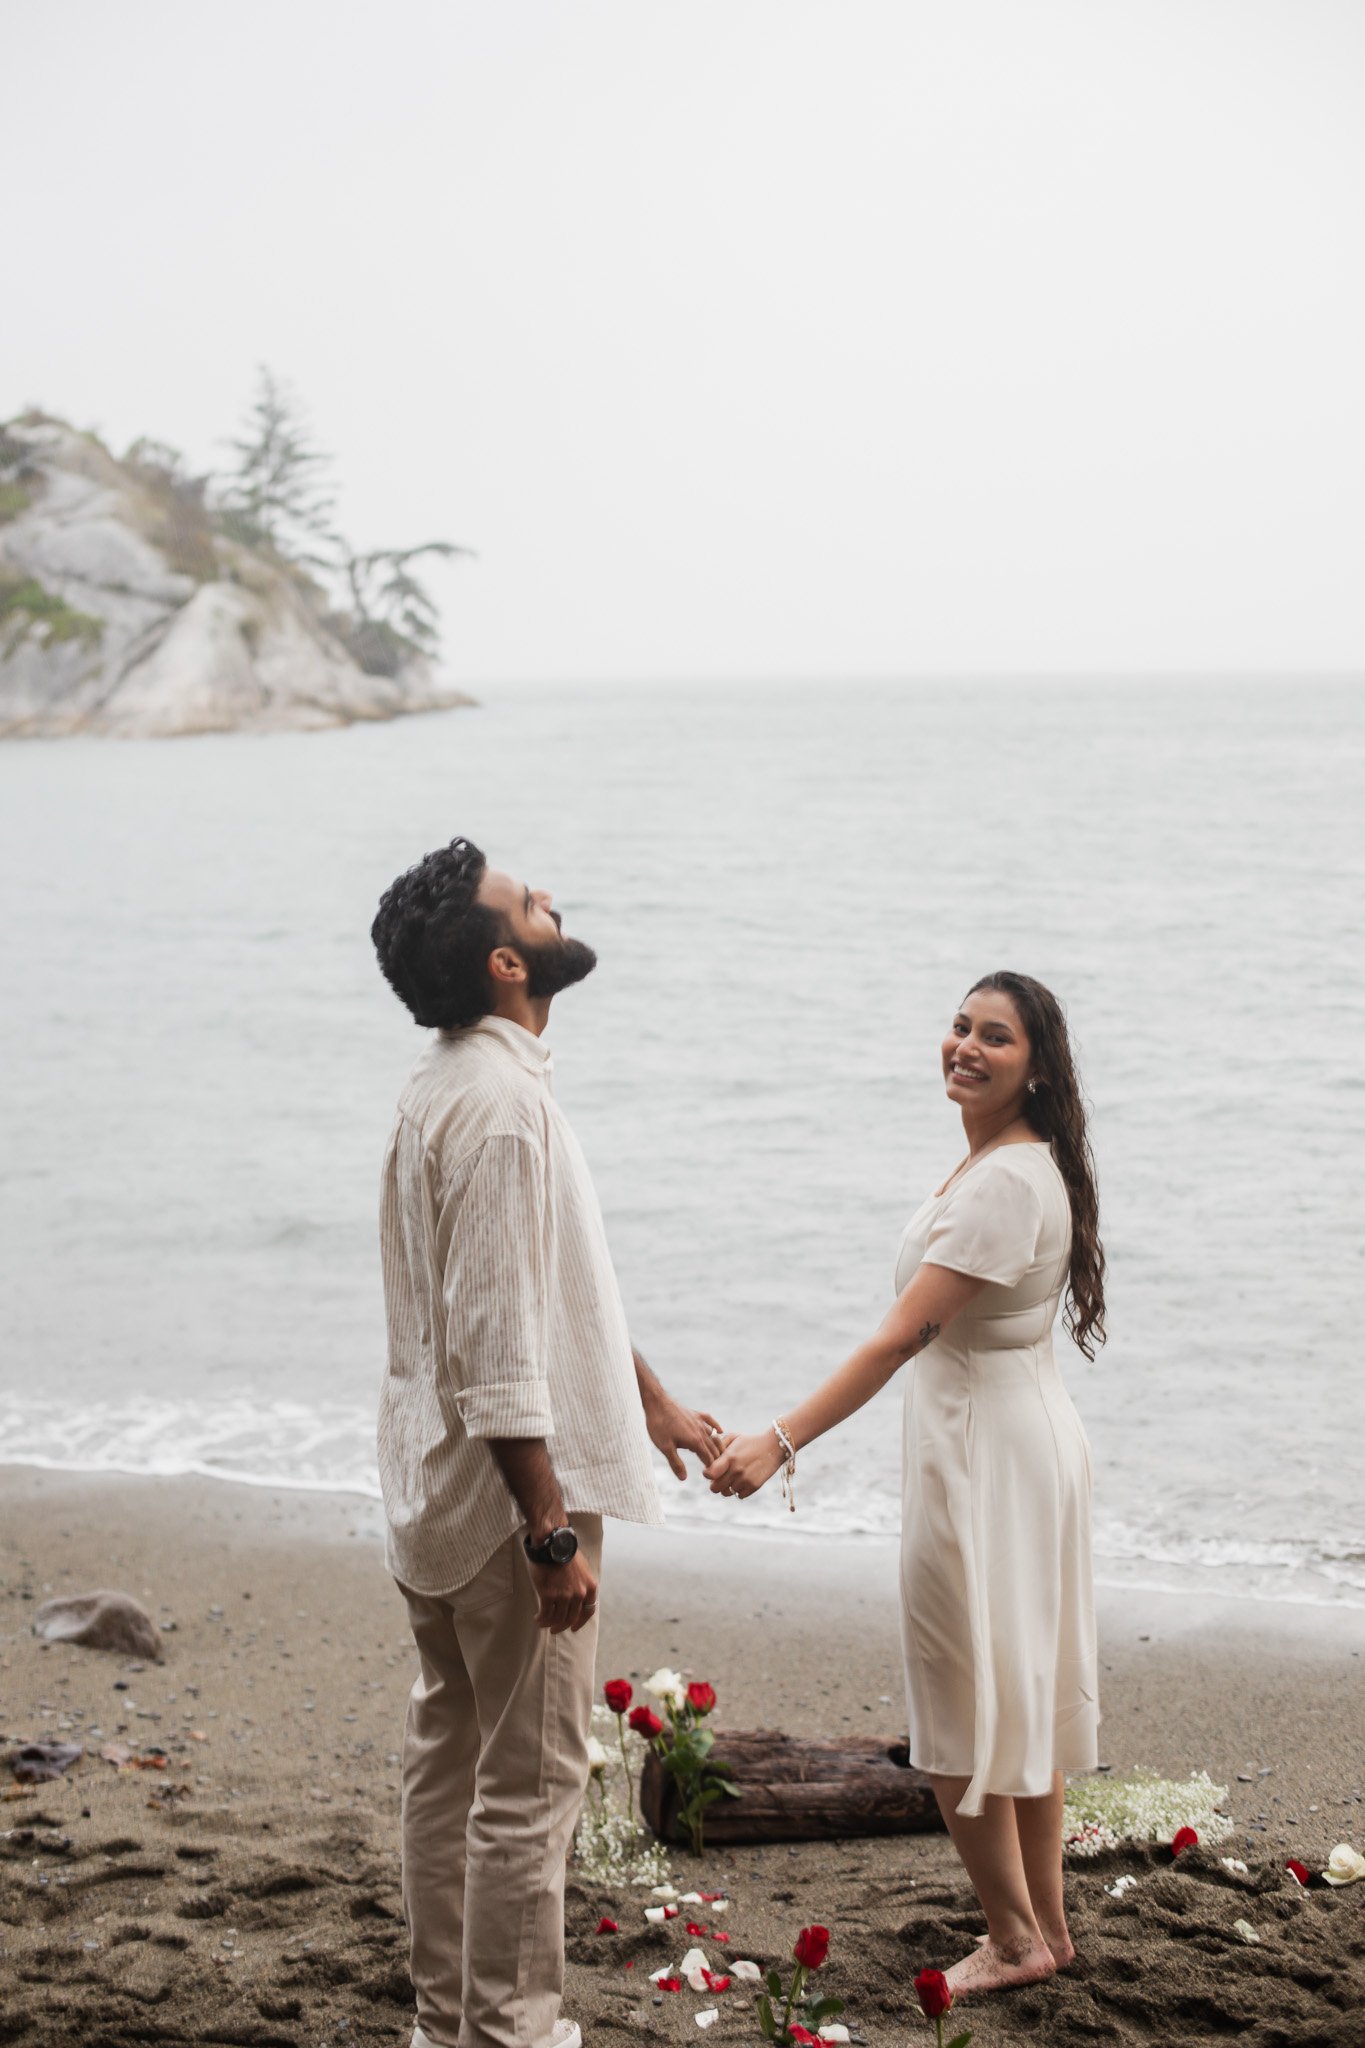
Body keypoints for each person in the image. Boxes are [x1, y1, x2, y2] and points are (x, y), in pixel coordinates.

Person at [371, 837, 722, 2048]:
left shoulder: (445, 1082)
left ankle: (445, 2023)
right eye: (529, 899)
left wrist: (654, 1403)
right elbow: (500, 1346)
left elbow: (538, 1293)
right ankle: (513, 2032)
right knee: (529, 1787)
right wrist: (551, 1527)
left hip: (431, 1491)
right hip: (500, 1506)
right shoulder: (506, 1109)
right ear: (510, 959)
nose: (552, 896)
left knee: (448, 1767)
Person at [705, 971, 1104, 1998]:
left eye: (996, 1036)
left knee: (961, 1701)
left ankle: (1017, 1936)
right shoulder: (1007, 1163)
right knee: (1015, 1691)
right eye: (960, 1026)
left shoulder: (1008, 1179)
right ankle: (1044, 1930)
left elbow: (896, 1338)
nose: (966, 1045)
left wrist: (778, 1439)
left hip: (984, 1457)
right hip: (1010, 1438)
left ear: (1039, 1065)